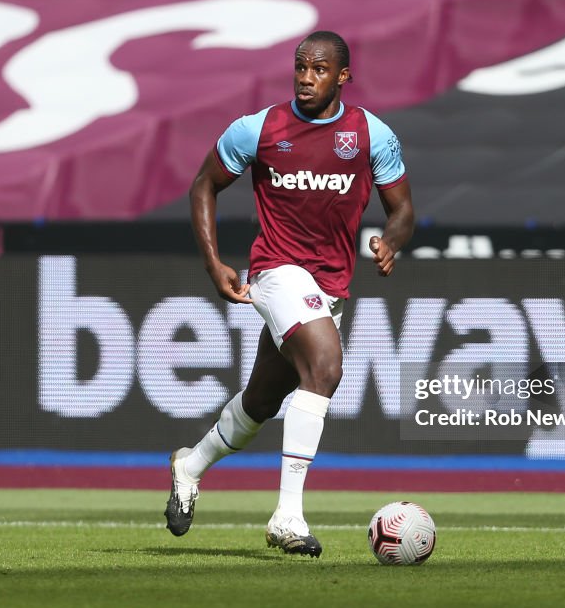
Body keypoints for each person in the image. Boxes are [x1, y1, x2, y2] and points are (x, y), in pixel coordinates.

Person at [164, 30, 414, 558]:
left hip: (331, 285)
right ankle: (288, 516)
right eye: (300, 67)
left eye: (319, 69)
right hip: (277, 270)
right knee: (325, 366)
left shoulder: (371, 134)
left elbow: (403, 210)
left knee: (261, 401)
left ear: (342, 76)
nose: (306, 77)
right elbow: (203, 185)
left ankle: (190, 465)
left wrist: (390, 241)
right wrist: (213, 263)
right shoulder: (258, 129)